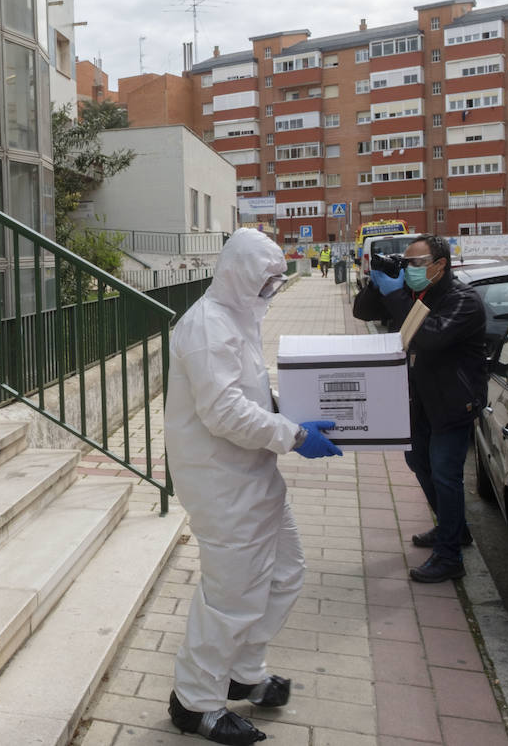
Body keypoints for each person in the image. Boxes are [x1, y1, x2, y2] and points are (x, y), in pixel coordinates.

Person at [165, 227, 342, 745]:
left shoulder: (238, 320)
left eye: (277, 280)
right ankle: (194, 703)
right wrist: (293, 434)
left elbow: (250, 393)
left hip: (254, 476)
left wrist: (291, 407)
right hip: (221, 484)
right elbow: (222, 411)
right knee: (230, 599)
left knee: (285, 574)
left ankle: (244, 671)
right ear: (239, 273)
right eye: (266, 279)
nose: (272, 289)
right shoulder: (206, 327)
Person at [351, 234, 486, 583]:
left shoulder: (463, 301)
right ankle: (452, 528)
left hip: (453, 402)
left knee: (444, 474)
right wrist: (379, 282)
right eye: (405, 263)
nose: (408, 270)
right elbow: (362, 312)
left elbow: (430, 336)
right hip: (419, 399)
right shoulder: (414, 293)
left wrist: (397, 294)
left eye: (415, 264)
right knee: (418, 462)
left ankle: (449, 556)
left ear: (439, 266)